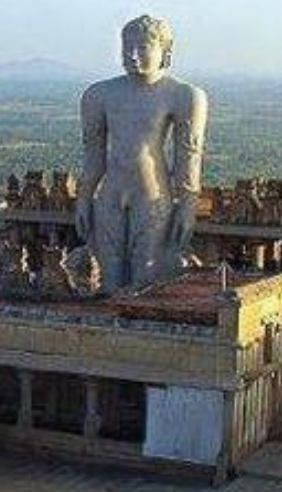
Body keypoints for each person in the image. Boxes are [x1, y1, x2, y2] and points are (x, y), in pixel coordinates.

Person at [76, 15, 209, 289]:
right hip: (110, 193)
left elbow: (188, 157)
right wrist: (83, 198)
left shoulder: (183, 95)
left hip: (152, 193)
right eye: (127, 47)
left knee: (145, 275)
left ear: (165, 50)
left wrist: (187, 206)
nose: (133, 55)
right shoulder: (98, 95)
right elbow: (93, 157)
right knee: (109, 277)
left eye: (143, 47)